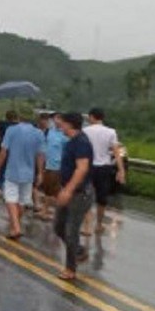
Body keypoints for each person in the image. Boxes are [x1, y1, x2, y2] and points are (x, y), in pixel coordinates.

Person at [54, 112, 95, 280]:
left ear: (70, 124)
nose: (59, 126)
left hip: (79, 194)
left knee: (71, 231)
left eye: (62, 123)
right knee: (58, 227)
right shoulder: (72, 142)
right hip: (69, 190)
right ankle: (78, 250)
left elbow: (82, 168)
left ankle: (70, 269)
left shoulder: (81, 142)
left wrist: (68, 190)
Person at [0, 112, 45, 239]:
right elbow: (40, 155)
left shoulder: (11, 130)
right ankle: (14, 225)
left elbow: (4, 150)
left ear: (20, 118)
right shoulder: (39, 133)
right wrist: (40, 173)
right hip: (29, 173)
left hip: (12, 171)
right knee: (22, 201)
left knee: (10, 199)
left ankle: (16, 228)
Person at [82, 108, 126, 235]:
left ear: (91, 117)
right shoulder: (111, 132)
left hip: (89, 167)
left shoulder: (85, 131)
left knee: (87, 196)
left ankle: (86, 227)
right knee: (102, 198)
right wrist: (121, 170)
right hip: (104, 168)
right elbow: (116, 152)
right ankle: (99, 225)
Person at [38, 112, 68, 220]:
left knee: (53, 191)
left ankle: (52, 212)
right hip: (48, 165)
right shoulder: (50, 132)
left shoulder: (65, 135)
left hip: (58, 166)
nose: (56, 120)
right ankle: (47, 210)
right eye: (55, 118)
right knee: (48, 190)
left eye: (59, 118)